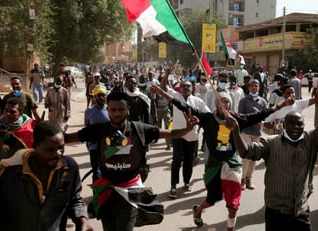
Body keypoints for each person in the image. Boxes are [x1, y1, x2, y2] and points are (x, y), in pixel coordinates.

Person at [228, 78, 318, 231]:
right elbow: (246, 151)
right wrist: (236, 132)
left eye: (300, 124)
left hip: (301, 211)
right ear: (284, 125)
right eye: (292, 123)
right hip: (275, 212)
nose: (296, 127)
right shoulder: (271, 143)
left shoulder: (312, 139)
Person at [152, 85, 294, 231]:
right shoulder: (207, 118)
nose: (224, 104)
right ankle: (199, 210)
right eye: (221, 101)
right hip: (213, 166)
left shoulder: (237, 119)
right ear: (216, 104)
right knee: (212, 199)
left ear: (230, 104)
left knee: (233, 205)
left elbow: (262, 114)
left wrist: (283, 104)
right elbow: (182, 105)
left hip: (232, 165)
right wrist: (162, 92)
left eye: (226, 102)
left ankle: (230, 228)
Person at [64, 91, 198, 231]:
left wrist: (187, 129)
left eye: (121, 109)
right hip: (106, 193)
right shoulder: (99, 130)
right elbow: (67, 139)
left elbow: (170, 134)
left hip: (130, 194)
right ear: (108, 110)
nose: (117, 113)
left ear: (128, 110)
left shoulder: (140, 129)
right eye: (113, 110)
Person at [0, 121, 93, 231]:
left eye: (61, 148)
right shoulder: (9, 171)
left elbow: (74, 199)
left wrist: (82, 220)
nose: (58, 153)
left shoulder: (68, 168)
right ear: (35, 146)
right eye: (50, 149)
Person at [159, 70, 210, 199]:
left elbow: (207, 115)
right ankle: (173, 186)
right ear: (180, 88)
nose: (186, 88)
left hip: (192, 136)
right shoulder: (175, 96)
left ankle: (187, 182)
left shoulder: (198, 102)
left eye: (188, 86)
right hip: (177, 135)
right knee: (176, 160)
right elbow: (163, 87)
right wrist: (166, 74)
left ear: (193, 88)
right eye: (184, 86)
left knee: (188, 161)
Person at [238, 79, 268, 190]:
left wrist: (261, 123)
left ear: (259, 87)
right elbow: (240, 117)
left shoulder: (263, 102)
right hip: (246, 132)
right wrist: (252, 119)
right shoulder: (244, 101)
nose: (254, 87)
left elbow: (266, 117)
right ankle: (242, 179)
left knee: (254, 158)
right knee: (245, 157)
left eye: (256, 86)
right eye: (252, 86)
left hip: (257, 133)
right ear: (249, 87)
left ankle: (249, 179)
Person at [0, 97, 38, 162]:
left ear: (21, 113)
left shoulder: (29, 131)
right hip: (3, 164)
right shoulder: (1, 123)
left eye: (12, 112)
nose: (7, 114)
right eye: (6, 110)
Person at [84, 85, 110, 182]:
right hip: (94, 146)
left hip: (109, 147)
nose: (101, 97)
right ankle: (97, 195)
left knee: (108, 171)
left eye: (103, 95)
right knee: (97, 173)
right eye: (98, 95)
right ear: (94, 97)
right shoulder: (89, 111)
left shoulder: (110, 110)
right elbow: (87, 127)